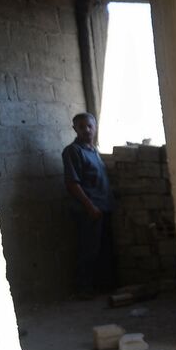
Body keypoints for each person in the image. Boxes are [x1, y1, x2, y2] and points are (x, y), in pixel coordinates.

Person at [62, 112, 115, 297]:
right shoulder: (73, 151)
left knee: (103, 250)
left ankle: (102, 287)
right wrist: (90, 206)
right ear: (75, 129)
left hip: (103, 207)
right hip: (88, 210)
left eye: (90, 126)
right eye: (82, 126)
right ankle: (84, 289)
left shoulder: (93, 150)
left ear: (95, 127)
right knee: (88, 250)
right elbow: (72, 184)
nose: (86, 130)